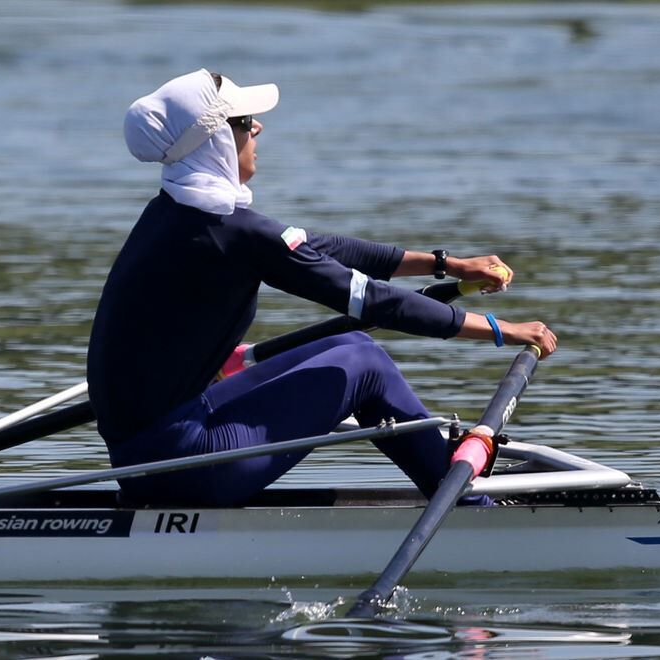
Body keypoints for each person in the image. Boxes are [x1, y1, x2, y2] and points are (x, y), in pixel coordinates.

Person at [87, 69, 557, 507]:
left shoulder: (176, 213)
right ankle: (467, 506)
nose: (258, 131)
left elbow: (318, 247)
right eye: (246, 122)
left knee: (350, 341)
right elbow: (371, 300)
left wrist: (443, 263)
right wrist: (502, 330)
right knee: (365, 362)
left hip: (154, 454)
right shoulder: (231, 233)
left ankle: (448, 483)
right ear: (215, 141)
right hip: (181, 466)